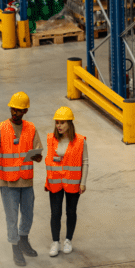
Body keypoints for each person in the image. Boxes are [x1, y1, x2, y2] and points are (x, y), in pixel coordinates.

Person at [0, 92, 42, 266]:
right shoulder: (0, 128)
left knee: (28, 213)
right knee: (12, 216)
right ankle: (15, 247)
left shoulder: (31, 128)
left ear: (25, 111)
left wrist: (37, 157)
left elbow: (38, 151)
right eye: (13, 109)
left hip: (26, 179)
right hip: (8, 181)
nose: (15, 113)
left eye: (19, 110)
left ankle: (23, 239)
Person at [44, 106, 88, 256]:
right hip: (55, 182)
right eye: (57, 122)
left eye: (62, 122)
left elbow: (85, 162)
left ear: (70, 123)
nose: (59, 126)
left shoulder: (80, 141)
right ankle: (55, 242)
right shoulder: (51, 138)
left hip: (72, 182)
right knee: (55, 213)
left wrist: (83, 182)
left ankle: (68, 240)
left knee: (71, 212)